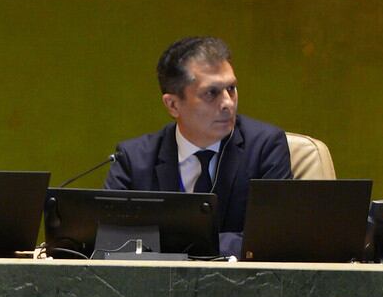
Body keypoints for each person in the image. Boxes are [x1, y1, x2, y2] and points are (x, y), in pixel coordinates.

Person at [107, 36, 291, 243]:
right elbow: (112, 239)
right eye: (211, 93)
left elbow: (273, 238)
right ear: (173, 105)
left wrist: (178, 247)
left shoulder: (265, 148)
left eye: (231, 89)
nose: (228, 103)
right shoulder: (133, 160)